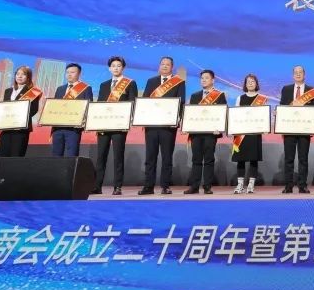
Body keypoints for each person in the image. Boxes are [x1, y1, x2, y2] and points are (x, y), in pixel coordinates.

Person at [140, 56, 186, 195]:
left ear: (172, 67)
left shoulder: (179, 82)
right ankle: (148, 186)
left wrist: (177, 120)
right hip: (152, 125)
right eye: (162, 64)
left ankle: (165, 186)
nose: (165, 66)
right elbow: (145, 101)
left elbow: (181, 102)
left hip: (168, 126)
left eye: (167, 64)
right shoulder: (151, 81)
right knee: (150, 157)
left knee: (167, 157)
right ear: (159, 66)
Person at [94, 56, 137, 195]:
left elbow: (133, 103)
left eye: (119, 65)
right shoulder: (104, 85)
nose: (116, 68)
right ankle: (97, 186)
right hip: (104, 125)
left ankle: (117, 186)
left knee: (118, 156)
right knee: (101, 156)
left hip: (119, 125)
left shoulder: (130, 83)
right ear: (109, 68)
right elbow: (100, 104)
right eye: (113, 66)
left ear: (123, 68)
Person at [279, 65, 314, 194]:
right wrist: (278, 114)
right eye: (296, 72)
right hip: (289, 129)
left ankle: (302, 185)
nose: (298, 74)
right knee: (289, 159)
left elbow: (313, 110)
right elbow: (282, 106)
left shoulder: (311, 91)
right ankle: (288, 186)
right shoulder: (286, 89)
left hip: (304, 130)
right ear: (293, 75)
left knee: (303, 159)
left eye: (300, 72)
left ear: (304, 74)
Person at [184, 70, 227, 194]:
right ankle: (194, 186)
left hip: (211, 133)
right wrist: (187, 126)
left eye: (206, 78)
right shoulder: (194, 96)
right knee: (196, 159)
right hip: (196, 133)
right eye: (202, 78)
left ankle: (207, 186)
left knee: (209, 159)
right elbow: (190, 114)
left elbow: (223, 113)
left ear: (213, 80)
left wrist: (219, 128)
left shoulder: (219, 95)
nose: (203, 80)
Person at [232, 73, 267, 194]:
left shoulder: (261, 99)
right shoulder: (240, 98)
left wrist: (264, 127)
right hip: (241, 133)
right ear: (245, 84)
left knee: (253, 159)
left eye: (253, 81)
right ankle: (240, 184)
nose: (250, 84)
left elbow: (263, 117)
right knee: (240, 159)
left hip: (254, 133)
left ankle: (251, 185)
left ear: (256, 84)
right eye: (248, 82)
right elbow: (235, 115)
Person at [50, 62, 93, 158]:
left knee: (71, 155)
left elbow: (89, 107)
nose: (69, 74)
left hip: (74, 128)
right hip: (58, 127)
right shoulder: (60, 89)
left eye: (72, 72)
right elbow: (54, 106)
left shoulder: (86, 88)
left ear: (79, 74)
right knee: (56, 155)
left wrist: (85, 124)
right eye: (67, 72)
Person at [0, 65, 42, 157]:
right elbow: (4, 107)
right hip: (6, 128)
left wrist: (18, 117)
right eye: (17, 74)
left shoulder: (32, 92)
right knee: (3, 155)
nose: (20, 76)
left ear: (28, 77)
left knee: (17, 155)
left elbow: (33, 110)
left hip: (20, 129)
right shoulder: (8, 91)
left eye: (23, 74)